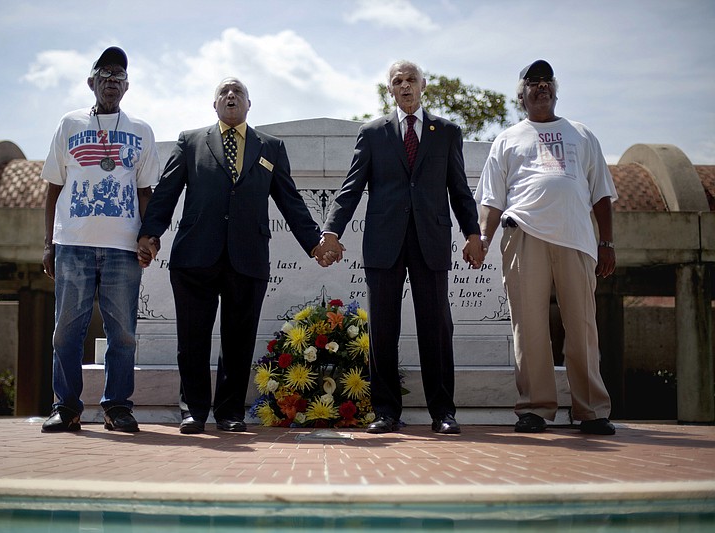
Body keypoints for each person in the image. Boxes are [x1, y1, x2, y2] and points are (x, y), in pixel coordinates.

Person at [138, 77, 332, 434]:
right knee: (192, 339)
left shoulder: (269, 147)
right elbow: (166, 192)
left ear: (248, 103)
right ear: (214, 105)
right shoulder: (190, 141)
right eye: (223, 93)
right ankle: (193, 411)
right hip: (195, 257)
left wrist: (315, 243)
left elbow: (289, 200)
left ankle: (230, 413)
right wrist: (150, 234)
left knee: (238, 341)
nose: (231, 96)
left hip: (248, 258)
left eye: (238, 92)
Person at [320, 60, 485, 435]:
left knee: (437, 328)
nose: (405, 86)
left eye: (411, 80)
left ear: (423, 85)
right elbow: (351, 187)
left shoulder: (446, 132)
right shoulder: (373, 132)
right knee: (383, 329)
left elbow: (459, 189)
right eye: (398, 81)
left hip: (431, 241)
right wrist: (331, 231)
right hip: (384, 242)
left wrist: (473, 234)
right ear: (390, 90)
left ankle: (443, 412)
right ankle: (386, 412)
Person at [475, 59, 618, 435]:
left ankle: (592, 411)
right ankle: (535, 408)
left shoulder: (582, 134)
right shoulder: (507, 138)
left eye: (547, 81)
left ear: (555, 90)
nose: (542, 87)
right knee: (530, 326)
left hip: (576, 238)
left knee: (583, 326)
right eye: (533, 82)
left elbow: (602, 193)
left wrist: (607, 242)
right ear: (521, 94)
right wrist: (484, 239)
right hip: (524, 234)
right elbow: (492, 199)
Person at [41, 46, 160, 433]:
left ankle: (117, 407)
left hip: (122, 246)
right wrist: (49, 243)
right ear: (91, 82)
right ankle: (66, 406)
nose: (112, 81)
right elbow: (54, 188)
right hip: (72, 244)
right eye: (105, 74)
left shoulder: (141, 131)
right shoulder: (69, 124)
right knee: (66, 330)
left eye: (120, 77)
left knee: (122, 331)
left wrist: (148, 238)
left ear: (127, 87)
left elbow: (146, 194)